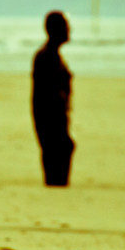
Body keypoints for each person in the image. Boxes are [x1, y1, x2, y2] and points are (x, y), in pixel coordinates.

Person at [31, 11, 75, 186]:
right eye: (65, 26)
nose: (69, 30)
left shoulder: (52, 56)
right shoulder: (46, 57)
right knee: (57, 165)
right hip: (51, 123)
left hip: (56, 122)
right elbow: (44, 97)